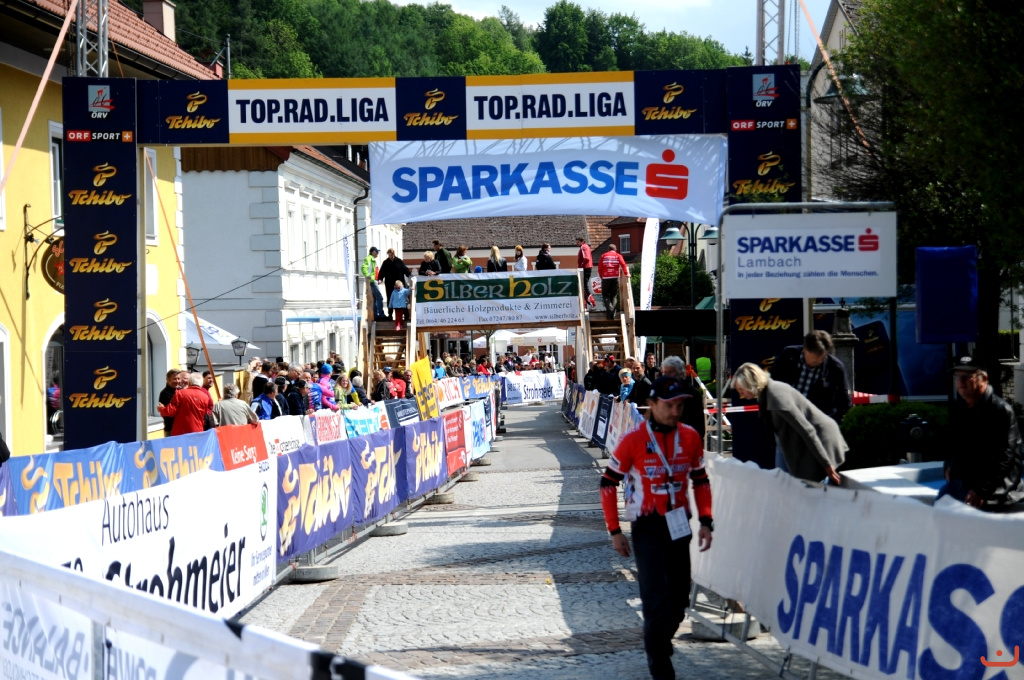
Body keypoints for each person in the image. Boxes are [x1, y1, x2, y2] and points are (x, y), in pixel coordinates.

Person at [600, 376, 713, 680]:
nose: (675, 411)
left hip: (679, 523)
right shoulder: (633, 439)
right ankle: (660, 664)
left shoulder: (690, 436)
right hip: (647, 525)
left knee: (679, 601)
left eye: (680, 406)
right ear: (651, 404)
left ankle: (659, 642)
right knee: (656, 600)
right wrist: (615, 531)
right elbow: (607, 483)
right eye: (669, 405)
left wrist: (706, 521)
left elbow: (701, 481)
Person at [731, 363, 846, 485]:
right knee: (787, 483)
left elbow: (807, 430)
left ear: (750, 383)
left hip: (820, 440)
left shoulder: (776, 397)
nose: (740, 394)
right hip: (800, 442)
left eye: (741, 389)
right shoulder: (768, 393)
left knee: (808, 485)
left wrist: (826, 464)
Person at [940, 356, 1024, 510]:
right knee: (937, 509)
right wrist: (948, 467)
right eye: (957, 376)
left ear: (983, 379)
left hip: (997, 490)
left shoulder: (1001, 410)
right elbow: (953, 445)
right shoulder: (959, 408)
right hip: (964, 483)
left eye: (967, 376)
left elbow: (1005, 458)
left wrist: (982, 490)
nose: (961, 381)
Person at [769, 330, 852, 472]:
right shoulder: (788, 356)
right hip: (786, 426)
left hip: (815, 430)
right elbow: (771, 387)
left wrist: (830, 424)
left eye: (823, 356)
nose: (820, 361)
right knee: (783, 473)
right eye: (816, 357)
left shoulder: (834, 368)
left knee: (813, 473)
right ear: (805, 350)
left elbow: (844, 402)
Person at [660, 356, 705, 439]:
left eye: (670, 372)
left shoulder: (690, 393)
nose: (666, 376)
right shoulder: (664, 390)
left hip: (686, 439)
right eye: (664, 372)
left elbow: (696, 424)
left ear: (681, 374)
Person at [377, 248, 411, 320]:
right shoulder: (386, 263)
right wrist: (380, 279)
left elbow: (405, 269)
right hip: (390, 284)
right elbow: (382, 272)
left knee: (402, 298)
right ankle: (390, 315)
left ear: (394, 254)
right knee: (390, 298)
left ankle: (406, 315)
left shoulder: (399, 261)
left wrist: (410, 275)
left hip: (399, 283)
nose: (391, 256)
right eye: (389, 255)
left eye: (392, 255)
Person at [598, 243, 629, 319]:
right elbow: (623, 264)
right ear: (615, 250)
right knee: (614, 295)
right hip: (615, 277)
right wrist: (626, 273)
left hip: (606, 277)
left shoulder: (603, 256)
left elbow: (600, 268)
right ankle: (613, 314)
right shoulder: (618, 255)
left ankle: (610, 310)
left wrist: (602, 276)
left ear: (608, 249)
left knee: (605, 295)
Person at [361, 246, 386, 320]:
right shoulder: (369, 258)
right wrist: (368, 276)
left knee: (375, 298)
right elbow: (363, 268)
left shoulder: (372, 259)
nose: (378, 253)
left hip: (374, 280)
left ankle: (376, 315)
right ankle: (380, 314)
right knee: (379, 297)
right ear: (373, 252)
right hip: (372, 281)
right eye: (377, 252)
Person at [158, 368, 181, 436]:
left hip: (180, 428)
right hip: (171, 429)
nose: (177, 381)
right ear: (168, 379)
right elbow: (170, 412)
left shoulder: (180, 391)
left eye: (178, 379)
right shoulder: (165, 393)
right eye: (174, 379)